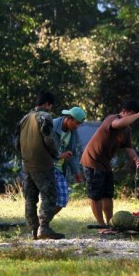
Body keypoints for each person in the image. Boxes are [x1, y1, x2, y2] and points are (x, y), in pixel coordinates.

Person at [80, 100, 139, 231]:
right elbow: (117, 124)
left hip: (105, 163)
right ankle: (101, 226)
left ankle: (110, 224)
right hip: (92, 160)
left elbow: (128, 147)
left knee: (108, 194)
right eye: (131, 115)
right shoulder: (112, 118)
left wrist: (135, 158)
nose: (132, 119)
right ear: (124, 112)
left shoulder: (127, 130)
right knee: (96, 194)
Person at [15, 91, 64, 240]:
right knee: (49, 195)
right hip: (42, 164)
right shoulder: (44, 117)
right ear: (48, 104)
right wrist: (57, 154)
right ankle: (44, 227)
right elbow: (49, 139)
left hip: (27, 164)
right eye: (51, 106)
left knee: (30, 198)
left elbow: (16, 143)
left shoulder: (24, 119)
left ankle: (33, 230)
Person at [53, 106, 86, 215]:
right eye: (77, 123)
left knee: (62, 199)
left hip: (59, 169)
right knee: (48, 199)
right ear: (69, 118)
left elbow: (73, 154)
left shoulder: (73, 132)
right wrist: (59, 155)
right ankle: (41, 224)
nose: (78, 126)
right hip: (46, 167)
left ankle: (43, 221)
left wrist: (76, 172)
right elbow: (41, 148)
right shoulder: (52, 126)